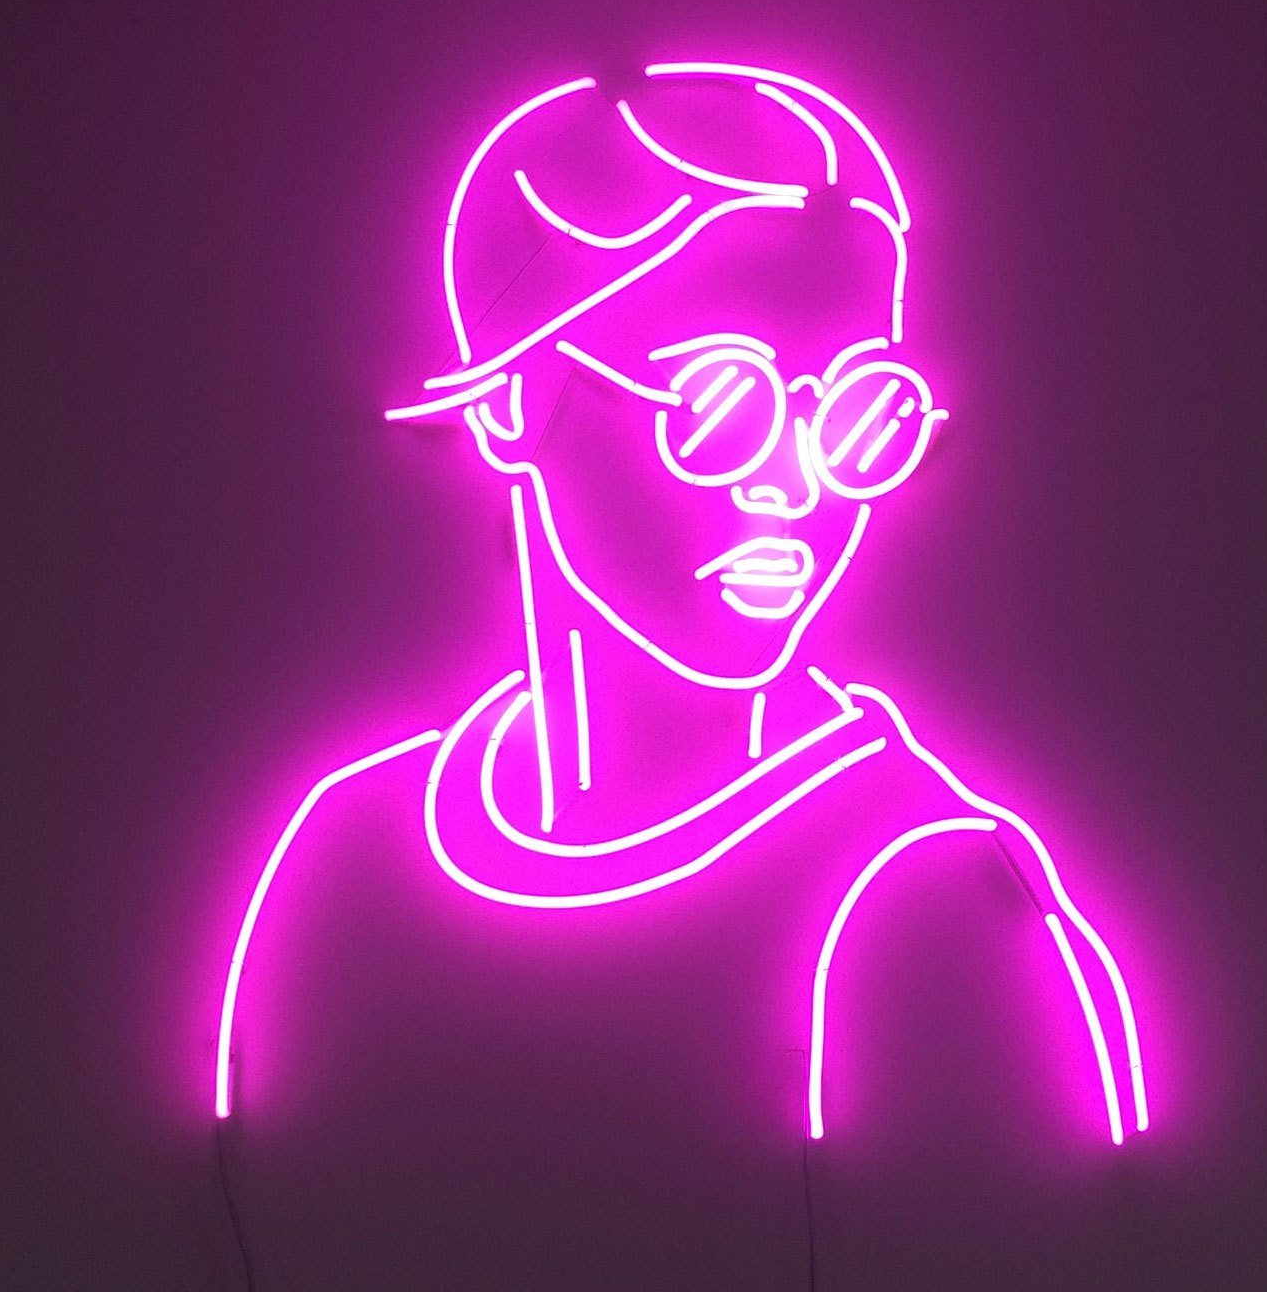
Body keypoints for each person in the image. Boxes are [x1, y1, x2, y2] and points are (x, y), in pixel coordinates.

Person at [210, 61, 1149, 1147]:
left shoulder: (924, 897)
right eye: (720, 406)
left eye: (859, 417)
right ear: (512, 404)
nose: (793, 485)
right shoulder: (355, 853)